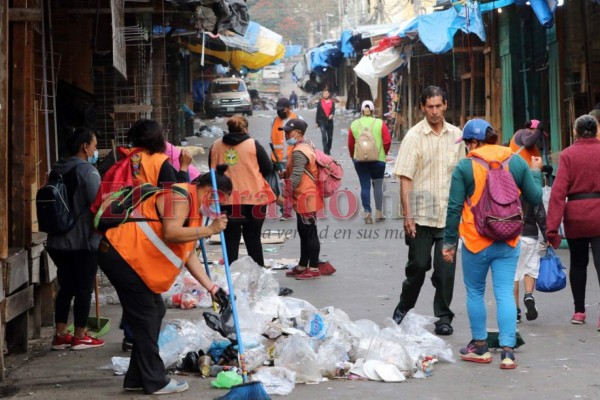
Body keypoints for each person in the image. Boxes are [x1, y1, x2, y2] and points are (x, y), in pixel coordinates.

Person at [98, 166, 231, 395]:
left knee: (155, 311)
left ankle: (137, 376)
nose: (220, 206)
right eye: (221, 199)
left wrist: (211, 287)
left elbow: (186, 252)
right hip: (121, 256)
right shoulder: (178, 196)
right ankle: (154, 380)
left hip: (129, 259)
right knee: (147, 315)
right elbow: (171, 232)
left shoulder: (192, 207)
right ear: (209, 190)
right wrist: (209, 230)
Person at [442, 118, 543, 369]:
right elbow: (536, 197)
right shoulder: (516, 161)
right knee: (504, 293)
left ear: (474, 141)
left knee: (475, 292)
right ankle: (508, 352)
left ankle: (480, 347)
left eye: (467, 143)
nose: (466, 148)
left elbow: (454, 209)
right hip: (508, 239)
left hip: (476, 242)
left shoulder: (465, 167)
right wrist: (535, 174)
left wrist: (449, 244)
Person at [392, 86, 464, 336]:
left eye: (438, 106)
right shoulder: (414, 137)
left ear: (445, 105)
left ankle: (443, 316)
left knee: (445, 271)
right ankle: (404, 306)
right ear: (422, 108)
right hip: (421, 217)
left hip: (448, 218)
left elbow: (463, 176)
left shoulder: (457, 136)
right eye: (429, 107)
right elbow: (405, 178)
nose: (434, 111)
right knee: (418, 267)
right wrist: (408, 215)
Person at [117, 119, 194, 352]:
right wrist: (183, 168)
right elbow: (176, 194)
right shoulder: (161, 162)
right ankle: (140, 338)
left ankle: (132, 334)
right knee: (146, 289)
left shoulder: (124, 159)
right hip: (148, 232)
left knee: (133, 289)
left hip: (120, 231)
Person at [48, 128, 104, 351]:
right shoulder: (88, 172)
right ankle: (80, 335)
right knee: (83, 288)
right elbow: (97, 205)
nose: (95, 150)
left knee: (66, 287)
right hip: (81, 241)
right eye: (94, 145)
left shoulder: (56, 170)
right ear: (85, 147)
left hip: (56, 242)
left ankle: (60, 335)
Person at [546, 115, 600, 329]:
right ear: (596, 132)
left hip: (576, 217)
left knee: (578, 264)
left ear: (576, 132)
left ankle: (579, 311)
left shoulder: (568, 155)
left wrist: (551, 229)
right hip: (599, 215)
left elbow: (558, 193)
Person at [209, 114, 276, 266]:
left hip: (227, 200)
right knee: (253, 238)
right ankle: (258, 275)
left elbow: (211, 171)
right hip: (254, 199)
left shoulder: (216, 146)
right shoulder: (253, 145)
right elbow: (267, 168)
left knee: (230, 239)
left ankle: (232, 280)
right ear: (245, 128)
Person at [276, 119, 324, 280]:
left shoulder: (299, 151)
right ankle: (303, 264)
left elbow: (297, 176)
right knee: (304, 232)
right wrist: (285, 174)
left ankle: (314, 268)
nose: (285, 135)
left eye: (288, 132)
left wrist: (284, 194)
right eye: (284, 132)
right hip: (304, 196)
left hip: (306, 197)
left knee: (310, 233)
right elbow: (298, 171)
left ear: (298, 133)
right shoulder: (304, 145)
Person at [348, 100, 391, 224]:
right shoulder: (380, 123)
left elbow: (350, 144)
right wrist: (384, 153)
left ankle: (367, 213)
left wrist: (353, 156)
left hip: (360, 160)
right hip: (378, 160)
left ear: (362, 110)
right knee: (377, 185)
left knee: (365, 186)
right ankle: (379, 212)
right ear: (372, 111)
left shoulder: (355, 124)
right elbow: (387, 141)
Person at [271, 97, 300, 220]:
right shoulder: (275, 121)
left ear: (288, 108)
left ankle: (286, 211)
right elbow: (272, 138)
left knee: (288, 185)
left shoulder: (295, 119)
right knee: (279, 186)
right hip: (277, 159)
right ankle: (285, 209)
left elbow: (299, 138)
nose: (279, 112)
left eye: (281, 109)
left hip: (290, 158)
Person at [316, 89, 335, 155]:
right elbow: (318, 112)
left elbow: (333, 111)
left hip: (330, 122)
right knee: (324, 135)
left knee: (330, 137)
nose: (326, 94)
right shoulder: (320, 102)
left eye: (327, 93)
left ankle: (328, 148)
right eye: (324, 93)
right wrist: (317, 122)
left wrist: (332, 114)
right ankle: (325, 151)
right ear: (323, 94)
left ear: (329, 94)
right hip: (322, 121)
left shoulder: (332, 102)